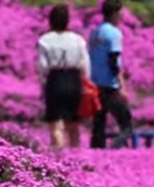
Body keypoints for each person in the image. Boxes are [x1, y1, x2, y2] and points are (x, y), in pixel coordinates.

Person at [37, 4, 91, 149]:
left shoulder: (45, 40)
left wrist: (43, 84)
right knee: (73, 125)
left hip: (55, 80)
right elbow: (85, 64)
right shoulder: (78, 39)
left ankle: (59, 159)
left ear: (51, 20)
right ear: (68, 20)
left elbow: (43, 67)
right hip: (74, 81)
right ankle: (76, 158)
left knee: (55, 125)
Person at [88, 0, 133, 149]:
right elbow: (113, 61)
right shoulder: (114, 33)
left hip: (95, 84)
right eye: (120, 13)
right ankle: (112, 151)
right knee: (127, 126)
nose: (121, 16)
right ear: (114, 13)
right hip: (110, 85)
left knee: (98, 126)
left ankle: (96, 156)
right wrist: (122, 85)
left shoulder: (94, 33)